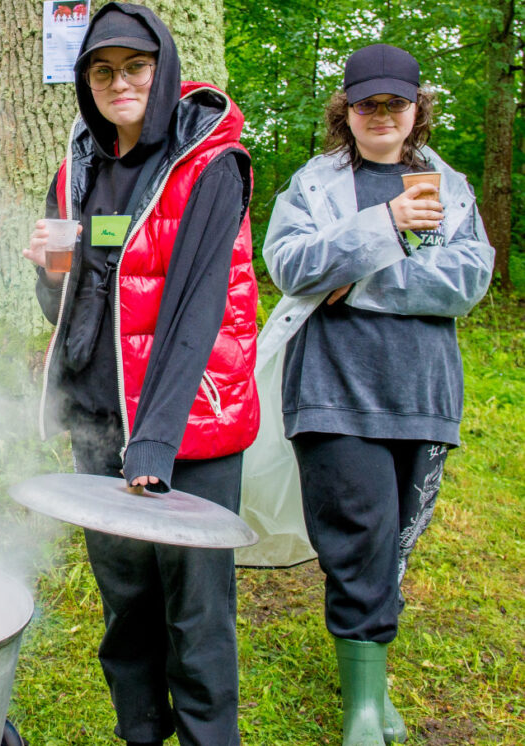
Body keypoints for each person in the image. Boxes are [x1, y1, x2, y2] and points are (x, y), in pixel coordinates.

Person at [23, 4, 258, 744]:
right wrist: (51, 269)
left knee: (196, 615)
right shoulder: (79, 169)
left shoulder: (210, 165)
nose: (119, 82)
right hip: (99, 419)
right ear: (84, 83)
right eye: (102, 71)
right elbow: (65, 309)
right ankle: (142, 735)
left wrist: (154, 443)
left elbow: (197, 308)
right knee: (126, 606)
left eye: (135, 67)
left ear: (164, 71)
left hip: (187, 424)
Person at [259, 44, 493, 745]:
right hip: (331, 385)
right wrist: (384, 225)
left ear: (417, 108)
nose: (382, 114)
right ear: (348, 110)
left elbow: (466, 280)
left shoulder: (449, 187)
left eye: (396, 102)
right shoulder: (314, 183)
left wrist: (356, 279)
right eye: (368, 103)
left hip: (422, 391)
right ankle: (362, 710)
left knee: (394, 540)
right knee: (358, 535)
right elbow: (290, 264)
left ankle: (371, 679)